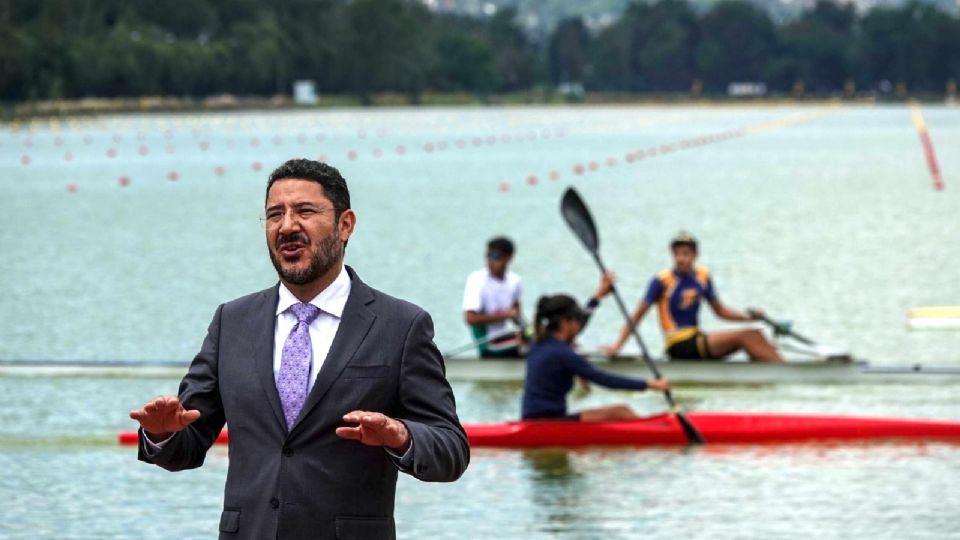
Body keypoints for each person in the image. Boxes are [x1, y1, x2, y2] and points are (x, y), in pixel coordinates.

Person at [129, 159, 469, 540]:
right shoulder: (232, 322)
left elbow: (451, 450)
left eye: (305, 211)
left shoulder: (400, 325)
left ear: (345, 225)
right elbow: (188, 446)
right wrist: (162, 435)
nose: (287, 226)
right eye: (275, 215)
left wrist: (401, 435)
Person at [603, 232, 783, 362]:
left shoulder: (703, 276)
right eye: (677, 254)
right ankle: (782, 372)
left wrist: (749, 318)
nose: (681, 259)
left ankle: (768, 371)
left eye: (686, 254)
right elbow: (636, 316)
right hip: (678, 344)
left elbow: (720, 311)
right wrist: (617, 345)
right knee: (749, 336)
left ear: (695, 255)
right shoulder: (662, 280)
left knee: (755, 333)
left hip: (697, 338)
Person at [521, 272, 670, 421]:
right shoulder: (563, 354)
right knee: (620, 412)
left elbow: (582, 322)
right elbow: (605, 380)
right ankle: (659, 433)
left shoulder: (538, 342)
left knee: (619, 412)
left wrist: (599, 295)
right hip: (549, 424)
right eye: (576, 320)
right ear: (565, 322)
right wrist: (649, 384)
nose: (579, 325)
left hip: (534, 418)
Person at [462, 236, 524, 358]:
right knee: (531, 346)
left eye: (495, 257)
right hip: (487, 342)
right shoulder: (476, 280)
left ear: (509, 258)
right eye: (488, 256)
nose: (490, 261)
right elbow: (470, 319)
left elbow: (517, 316)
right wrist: (506, 315)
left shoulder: (515, 281)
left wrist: (530, 331)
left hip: (506, 336)